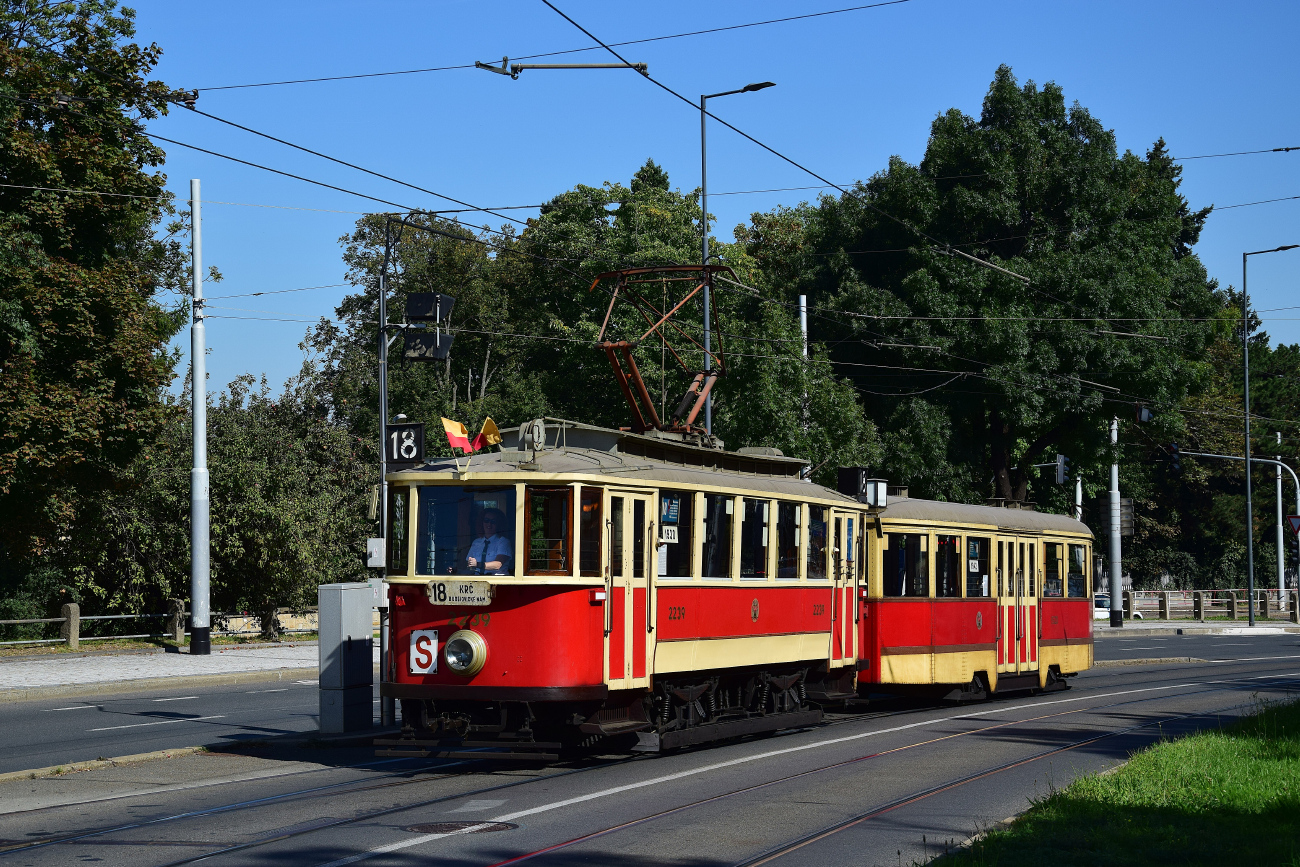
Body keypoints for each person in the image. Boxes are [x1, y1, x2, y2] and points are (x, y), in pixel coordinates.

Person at [465, 507, 512, 575]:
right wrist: (457, 571)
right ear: (481, 522)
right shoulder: (476, 542)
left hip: (497, 582)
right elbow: (470, 569)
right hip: (478, 581)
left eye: (493, 521)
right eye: (486, 520)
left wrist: (478, 564)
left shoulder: (503, 542)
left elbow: (498, 564)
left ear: (499, 524)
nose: (489, 524)